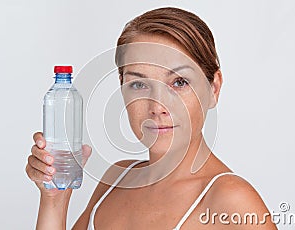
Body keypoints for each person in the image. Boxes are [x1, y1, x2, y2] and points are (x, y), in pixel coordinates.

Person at [26, 7, 277, 230]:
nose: (157, 107)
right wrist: (54, 201)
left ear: (214, 89)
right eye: (138, 84)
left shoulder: (232, 202)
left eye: (179, 82)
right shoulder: (117, 179)